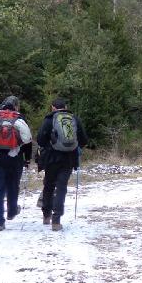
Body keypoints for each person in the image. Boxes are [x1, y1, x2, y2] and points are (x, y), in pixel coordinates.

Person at [37, 98, 88, 231]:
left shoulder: (49, 120)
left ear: (52, 107)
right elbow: (84, 140)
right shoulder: (74, 119)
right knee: (61, 188)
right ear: (66, 106)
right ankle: (56, 220)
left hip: (51, 159)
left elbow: (40, 140)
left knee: (48, 186)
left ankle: (46, 215)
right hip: (69, 159)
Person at [0, 96, 32, 231]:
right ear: (16, 106)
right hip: (15, 158)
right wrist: (27, 159)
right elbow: (27, 141)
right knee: (13, 185)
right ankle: (11, 211)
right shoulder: (19, 118)